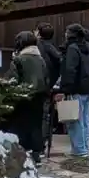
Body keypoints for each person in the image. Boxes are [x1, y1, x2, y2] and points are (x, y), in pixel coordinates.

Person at [7, 31, 50, 162]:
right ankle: (36, 153)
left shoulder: (19, 59)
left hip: (22, 97)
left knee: (21, 125)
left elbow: (12, 79)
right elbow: (46, 78)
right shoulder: (41, 59)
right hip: (39, 97)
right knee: (36, 125)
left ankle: (21, 154)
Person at [57, 23, 89, 158]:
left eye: (66, 32)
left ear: (70, 34)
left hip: (76, 88)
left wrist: (64, 89)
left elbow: (70, 70)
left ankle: (79, 150)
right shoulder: (88, 48)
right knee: (84, 121)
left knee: (75, 121)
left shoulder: (72, 48)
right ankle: (84, 148)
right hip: (88, 88)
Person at [36, 23, 63, 156]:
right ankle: (42, 144)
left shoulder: (38, 46)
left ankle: (39, 144)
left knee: (41, 116)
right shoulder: (52, 48)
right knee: (45, 116)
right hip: (48, 85)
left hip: (40, 85)